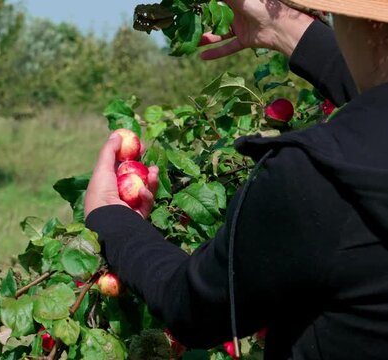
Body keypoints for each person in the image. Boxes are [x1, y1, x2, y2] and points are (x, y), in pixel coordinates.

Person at [84, 0, 388, 358]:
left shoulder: (319, 178)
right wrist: (284, 27)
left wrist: (112, 220)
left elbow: (193, 308)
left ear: (367, 23)